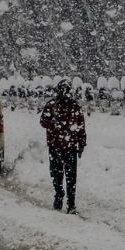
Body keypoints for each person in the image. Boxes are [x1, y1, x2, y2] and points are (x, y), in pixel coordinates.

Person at [40, 79, 87, 214]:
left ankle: (71, 204)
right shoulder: (52, 105)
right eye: (63, 91)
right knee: (56, 175)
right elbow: (43, 121)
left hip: (70, 147)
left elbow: (81, 126)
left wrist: (81, 143)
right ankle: (59, 195)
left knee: (71, 177)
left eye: (67, 91)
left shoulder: (75, 106)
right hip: (55, 146)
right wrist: (53, 123)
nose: (65, 94)